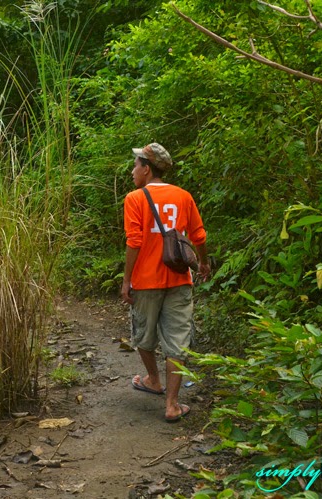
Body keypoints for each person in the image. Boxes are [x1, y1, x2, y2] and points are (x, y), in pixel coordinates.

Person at [120, 143, 211, 422]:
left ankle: (153, 379)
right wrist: (203, 263)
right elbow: (199, 236)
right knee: (177, 341)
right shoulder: (183, 196)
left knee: (143, 334)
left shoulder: (135, 198)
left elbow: (134, 241)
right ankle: (172, 405)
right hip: (179, 278)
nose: (133, 171)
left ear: (147, 169)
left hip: (146, 281)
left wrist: (126, 280)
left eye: (136, 165)